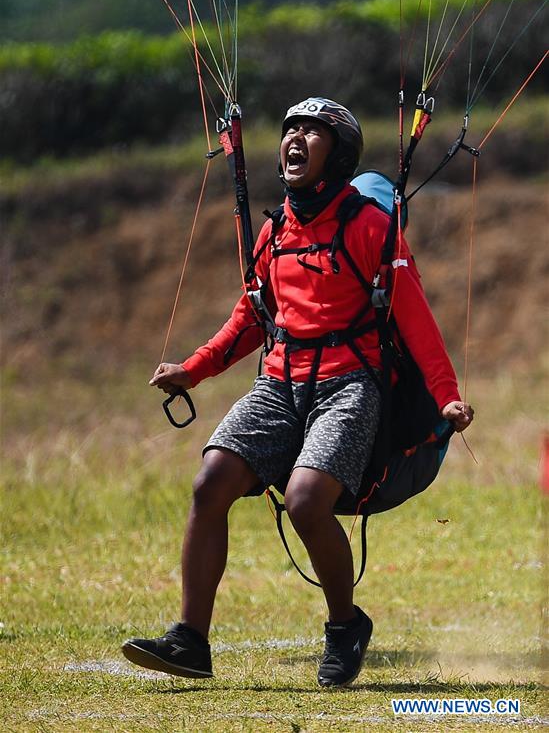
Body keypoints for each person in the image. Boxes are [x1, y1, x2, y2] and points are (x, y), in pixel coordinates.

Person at [122, 97, 474, 687]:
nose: (296, 138)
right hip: (279, 383)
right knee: (211, 483)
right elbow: (250, 318)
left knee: (308, 501)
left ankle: (345, 626)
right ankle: (190, 640)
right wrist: (193, 369)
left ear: (337, 156)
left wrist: (447, 396)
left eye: (313, 131)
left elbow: (416, 320)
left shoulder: (369, 227)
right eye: (291, 128)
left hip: (350, 386)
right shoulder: (273, 233)